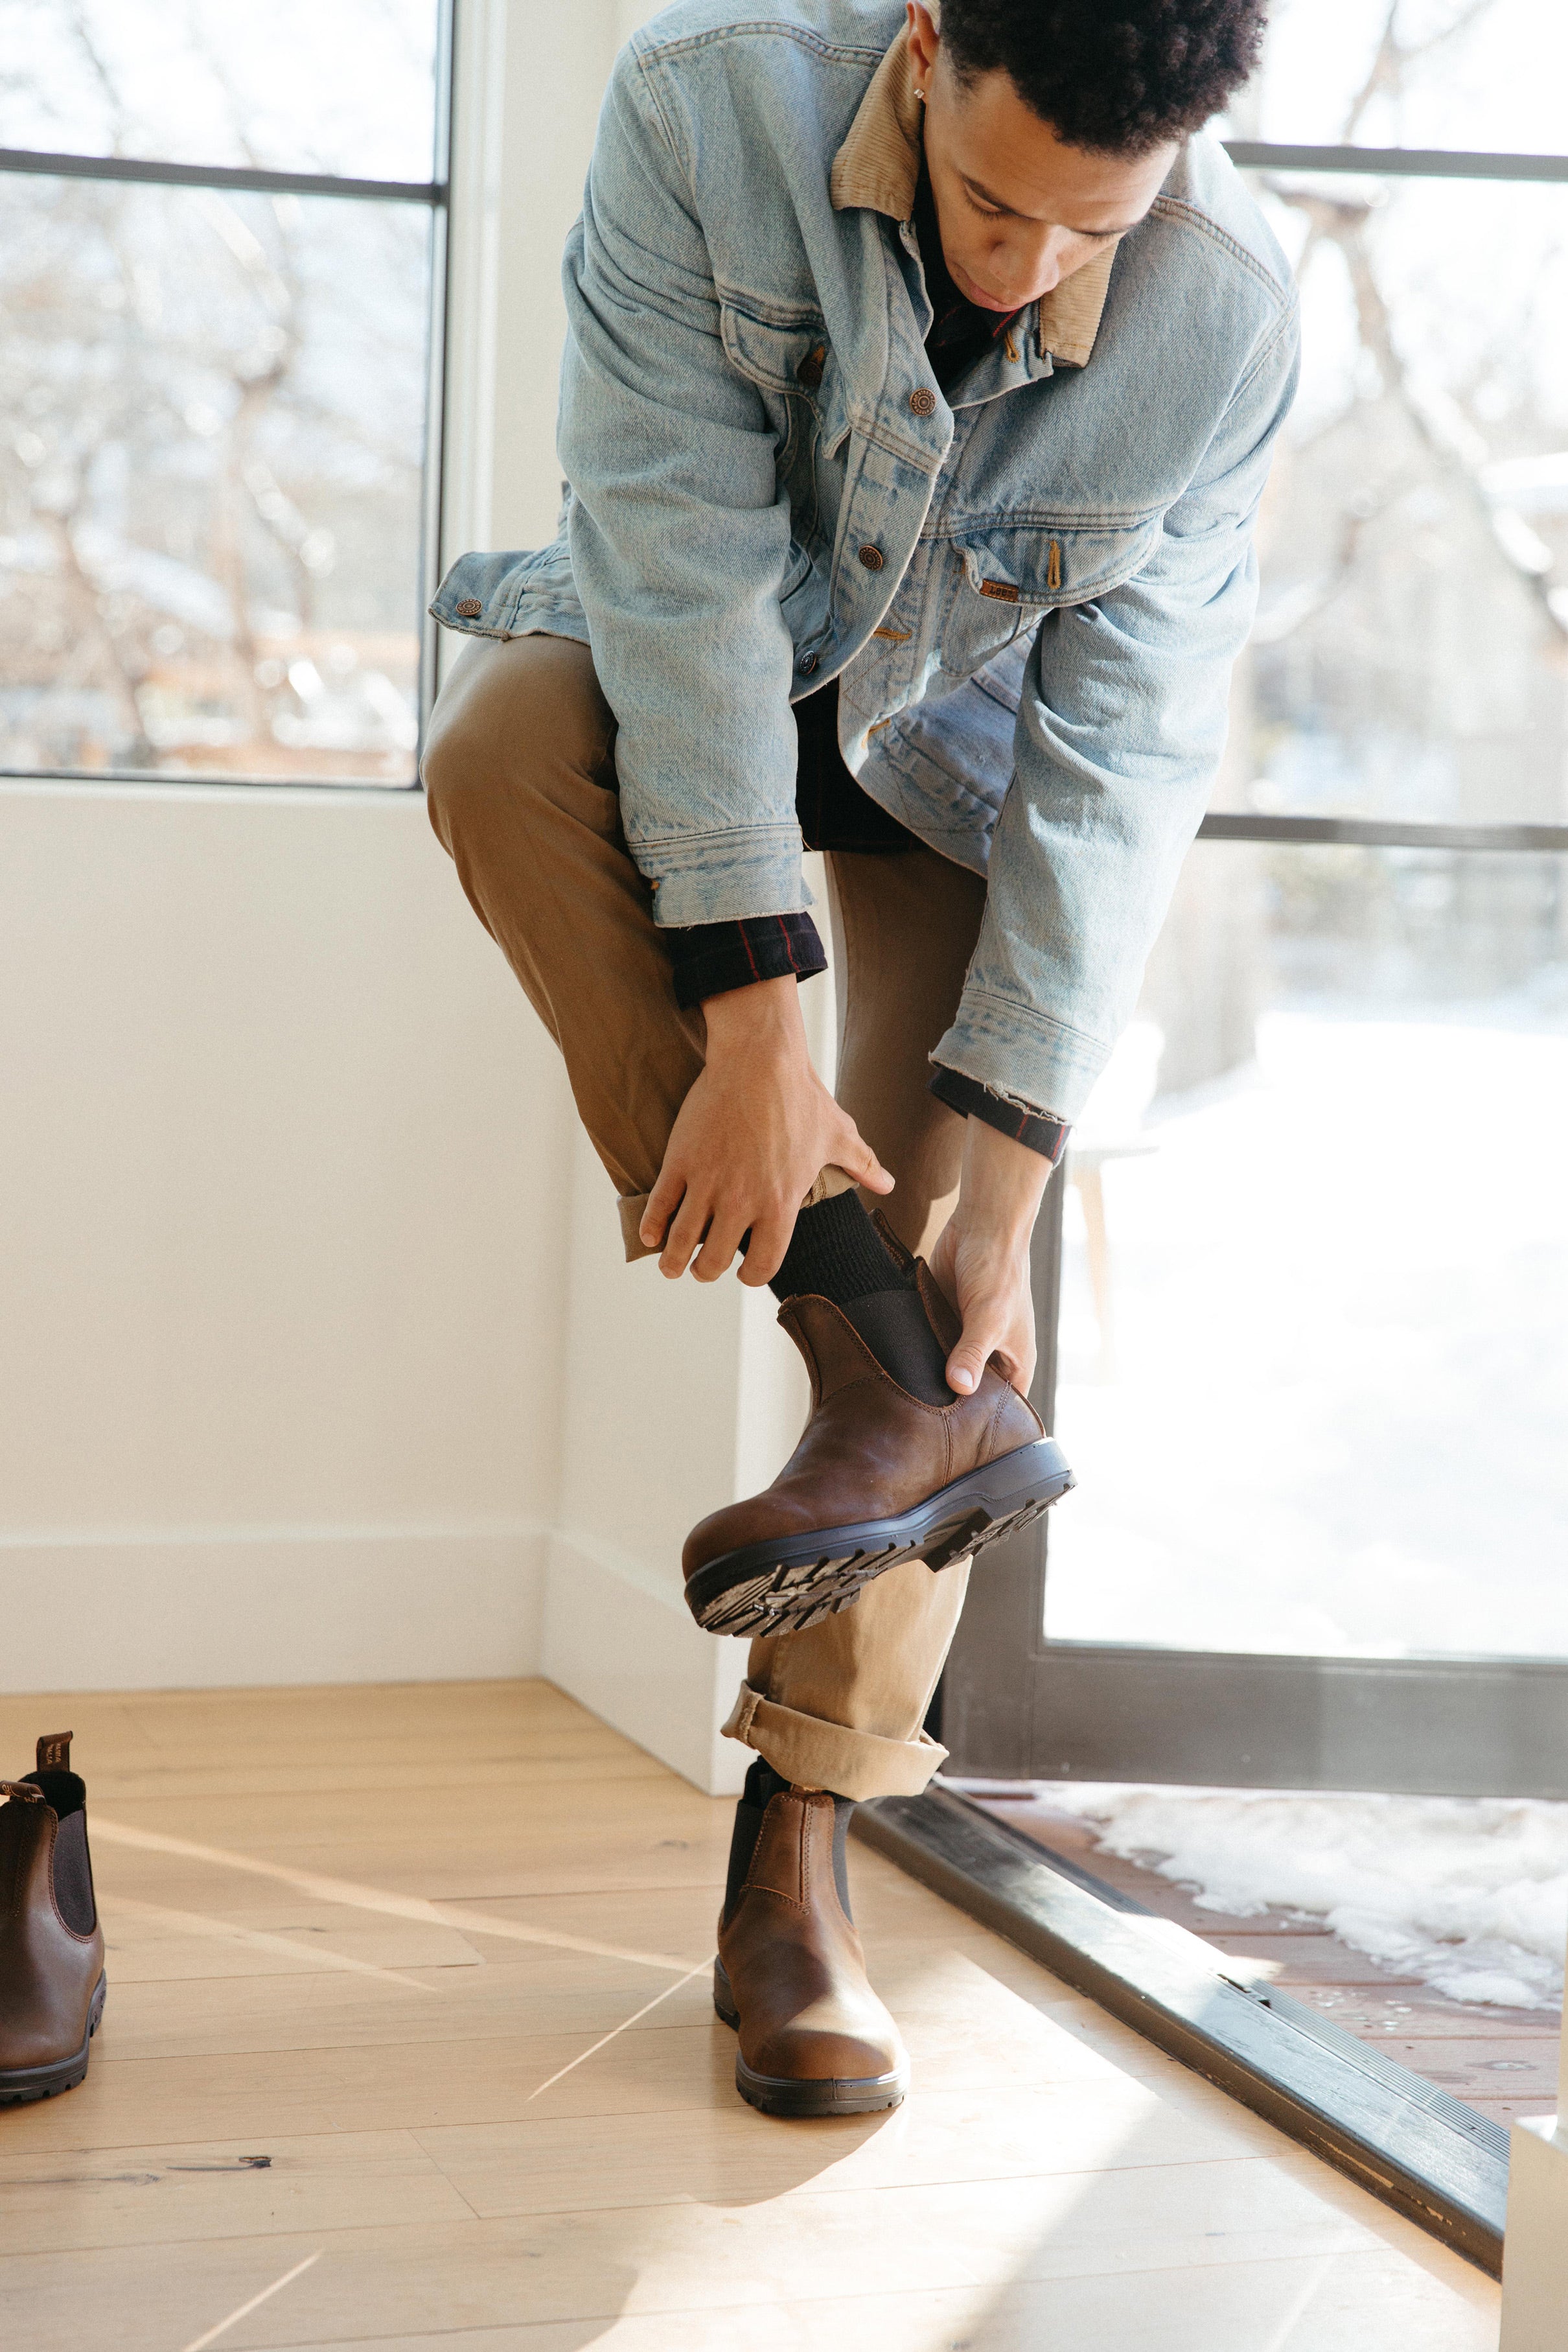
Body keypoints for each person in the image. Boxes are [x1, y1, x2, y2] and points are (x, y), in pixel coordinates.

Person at [423, 0, 1297, 2119]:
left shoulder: (1229, 311)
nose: (1027, 264)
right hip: (697, 650)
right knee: (499, 745)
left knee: (959, 1278)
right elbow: (675, 561)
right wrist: (752, 1020)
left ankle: (800, 1844)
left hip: (962, 758)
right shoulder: (704, 103)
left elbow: (1124, 752)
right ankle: (876, 1363)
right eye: (993, 203)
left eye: (1088, 232)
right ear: (921, 51)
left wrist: (1001, 1166)